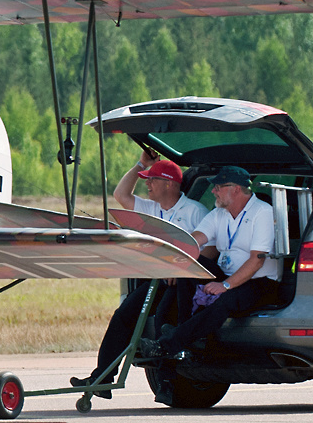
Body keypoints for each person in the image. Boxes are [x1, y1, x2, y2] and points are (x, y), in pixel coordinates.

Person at [71, 152, 207, 396]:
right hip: (159, 280)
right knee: (123, 315)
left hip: (185, 282)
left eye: (151, 179)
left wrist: (181, 268)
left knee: (163, 319)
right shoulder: (151, 208)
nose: (147, 184)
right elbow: (120, 195)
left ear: (169, 184)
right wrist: (141, 165)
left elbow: (207, 250)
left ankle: (167, 385)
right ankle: (102, 377)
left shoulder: (195, 211)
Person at [143, 164, 281, 363]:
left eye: (218, 186)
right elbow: (193, 241)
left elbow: (257, 261)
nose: (213, 191)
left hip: (260, 282)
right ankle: (186, 333)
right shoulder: (219, 213)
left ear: (236, 189)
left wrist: (224, 285)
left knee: (225, 300)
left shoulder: (262, 212)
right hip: (228, 276)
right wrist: (169, 255)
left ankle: (168, 345)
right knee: (190, 263)